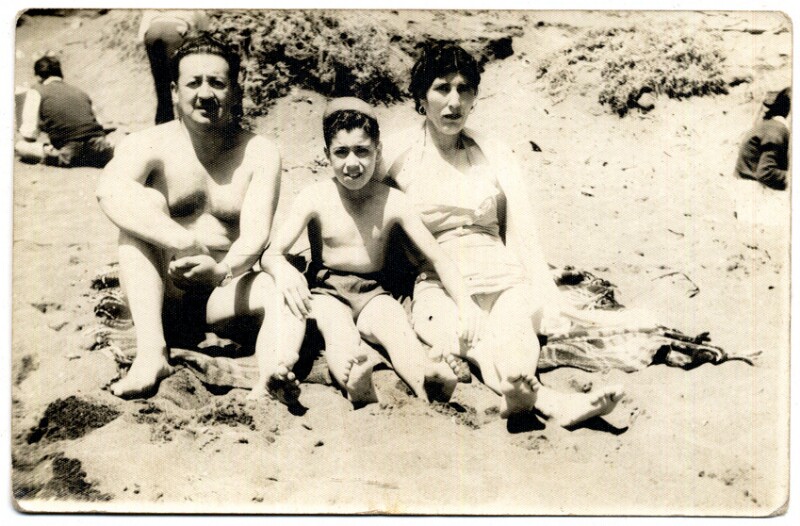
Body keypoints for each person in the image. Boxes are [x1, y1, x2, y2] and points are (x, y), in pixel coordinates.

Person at [381, 43, 625, 426]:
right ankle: (549, 402)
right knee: (470, 338)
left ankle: (520, 393)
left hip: (501, 272)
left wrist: (537, 283)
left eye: (464, 89)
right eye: (442, 88)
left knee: (516, 331)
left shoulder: (491, 151)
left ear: (474, 96)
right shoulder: (397, 155)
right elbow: (356, 202)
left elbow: (519, 229)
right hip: (438, 281)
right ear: (421, 97)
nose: (454, 102)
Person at [95, 32, 295, 400]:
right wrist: (183, 241)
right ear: (174, 91)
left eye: (217, 82)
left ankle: (272, 377)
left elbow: (255, 236)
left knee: (277, 290)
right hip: (162, 294)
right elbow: (109, 191)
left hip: (223, 291)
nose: (205, 93)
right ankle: (152, 354)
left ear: (234, 90)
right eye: (193, 83)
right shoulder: (148, 143)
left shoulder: (259, 152)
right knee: (146, 204)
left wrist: (220, 270)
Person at [255, 97, 481, 406]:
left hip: (375, 291)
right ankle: (355, 384)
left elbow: (438, 258)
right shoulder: (315, 197)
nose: (352, 163)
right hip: (328, 291)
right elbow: (271, 254)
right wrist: (283, 270)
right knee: (340, 334)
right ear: (327, 155)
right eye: (341, 152)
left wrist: (466, 303)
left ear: (378, 150)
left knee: (396, 329)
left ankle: (428, 381)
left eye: (362, 151)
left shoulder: (393, 201)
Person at [15, 55, 114, 168]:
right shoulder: (80, 92)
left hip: (71, 154)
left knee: (20, 146)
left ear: (38, 77)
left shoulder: (37, 91)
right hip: (100, 150)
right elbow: (99, 124)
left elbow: (29, 134)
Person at [139, 9, 209, 124]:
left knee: (160, 82)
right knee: (180, 79)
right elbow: (203, 33)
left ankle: (163, 122)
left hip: (152, 31)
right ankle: (184, 122)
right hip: (176, 31)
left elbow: (141, 34)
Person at [734, 87, 790, 191]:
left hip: (748, 189)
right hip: (754, 192)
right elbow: (766, 173)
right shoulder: (776, 130)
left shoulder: (770, 126)